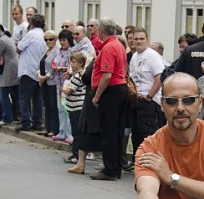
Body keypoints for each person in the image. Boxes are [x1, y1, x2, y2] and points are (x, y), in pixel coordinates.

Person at [89, 18, 128, 181]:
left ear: (103, 31)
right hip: (119, 89)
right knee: (116, 132)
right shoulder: (118, 44)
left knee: (108, 131)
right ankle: (116, 166)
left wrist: (97, 96)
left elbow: (106, 75)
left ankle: (110, 169)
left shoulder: (109, 47)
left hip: (111, 90)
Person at [128, 27, 165, 161]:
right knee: (136, 134)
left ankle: (149, 163)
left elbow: (159, 77)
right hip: (136, 99)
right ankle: (138, 162)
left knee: (147, 134)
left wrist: (149, 96)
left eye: (141, 39)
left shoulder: (152, 55)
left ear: (147, 40)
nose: (138, 41)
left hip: (149, 100)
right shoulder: (134, 57)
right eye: (135, 39)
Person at [16, 13, 47, 132]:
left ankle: (26, 122)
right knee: (37, 99)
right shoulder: (44, 35)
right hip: (39, 71)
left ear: (32, 24)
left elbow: (19, 48)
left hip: (27, 70)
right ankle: (37, 122)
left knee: (24, 98)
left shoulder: (31, 34)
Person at [0, 23, 19, 126]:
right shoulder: (7, 38)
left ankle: (7, 118)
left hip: (8, 69)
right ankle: (16, 115)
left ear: (1, 30)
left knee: (3, 94)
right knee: (16, 94)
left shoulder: (1, 41)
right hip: (14, 68)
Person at [64, 51, 89, 171]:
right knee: (76, 131)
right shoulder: (77, 75)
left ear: (81, 63)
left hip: (76, 107)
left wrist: (64, 87)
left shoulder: (78, 76)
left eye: (74, 62)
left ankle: (76, 155)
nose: (72, 64)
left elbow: (70, 90)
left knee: (77, 132)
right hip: (74, 107)